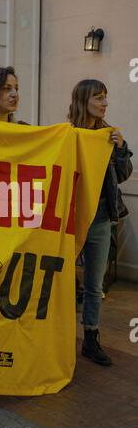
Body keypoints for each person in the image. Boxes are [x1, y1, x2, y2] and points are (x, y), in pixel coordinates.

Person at [68, 79, 133, 366]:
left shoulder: (110, 135)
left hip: (101, 218)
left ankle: (91, 339)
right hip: (67, 220)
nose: (104, 103)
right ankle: (53, 336)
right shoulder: (67, 135)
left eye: (105, 98)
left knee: (94, 285)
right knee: (58, 281)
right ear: (84, 101)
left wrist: (119, 150)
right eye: (98, 98)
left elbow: (122, 175)